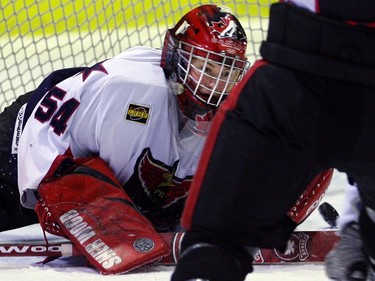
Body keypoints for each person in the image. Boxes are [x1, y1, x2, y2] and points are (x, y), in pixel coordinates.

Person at [0, 4, 249, 274]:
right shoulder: (133, 90)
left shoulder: (231, 114)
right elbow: (97, 184)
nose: (216, 84)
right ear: (179, 57)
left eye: (227, 73)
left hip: (73, 170)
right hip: (26, 144)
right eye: (207, 68)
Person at [171, 1, 375, 281]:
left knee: (214, 250)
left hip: (291, 83)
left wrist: (357, 224)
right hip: (292, 78)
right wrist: (359, 223)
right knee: (212, 252)